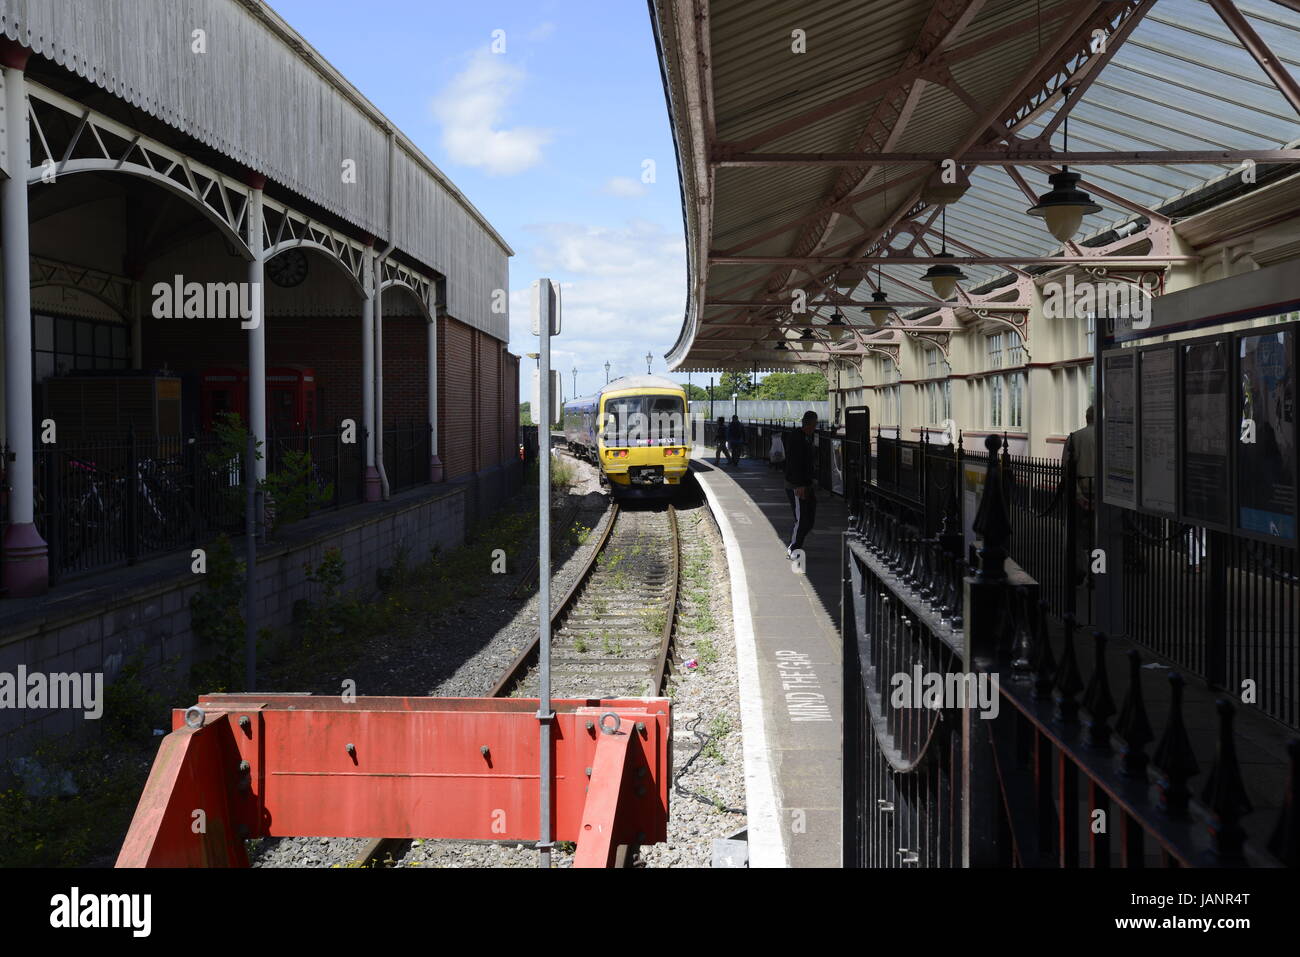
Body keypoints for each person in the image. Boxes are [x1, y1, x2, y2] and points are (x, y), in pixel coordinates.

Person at [1062, 405, 1095, 585]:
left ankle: (1078, 570)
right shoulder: (1108, 438)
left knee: (1076, 536)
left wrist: (1079, 496)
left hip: (1079, 494)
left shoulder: (1074, 438)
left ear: (1086, 417)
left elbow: (1066, 470)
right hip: (1101, 495)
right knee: (1099, 537)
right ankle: (1097, 573)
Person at [784, 411, 819, 558]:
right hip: (797, 485)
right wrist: (799, 485)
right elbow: (795, 463)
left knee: (808, 519)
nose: (816, 427)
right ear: (809, 424)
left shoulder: (806, 437)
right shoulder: (797, 439)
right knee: (802, 519)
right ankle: (794, 548)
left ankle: (796, 545)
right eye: (815, 424)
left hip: (805, 484)